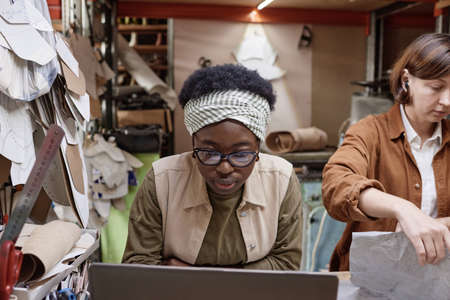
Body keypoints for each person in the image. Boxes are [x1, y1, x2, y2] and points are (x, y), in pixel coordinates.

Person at [122, 64, 303, 270]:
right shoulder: (162, 180)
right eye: (209, 153)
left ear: (257, 152)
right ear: (193, 146)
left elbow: (287, 265)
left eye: (241, 154)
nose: (225, 168)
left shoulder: (281, 179)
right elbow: (138, 267)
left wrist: (196, 277)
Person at [322, 33, 450, 271]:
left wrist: (437, 225)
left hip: (438, 278)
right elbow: (336, 185)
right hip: (373, 278)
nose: (447, 101)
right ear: (406, 79)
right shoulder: (369, 132)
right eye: (436, 87)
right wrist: (403, 209)